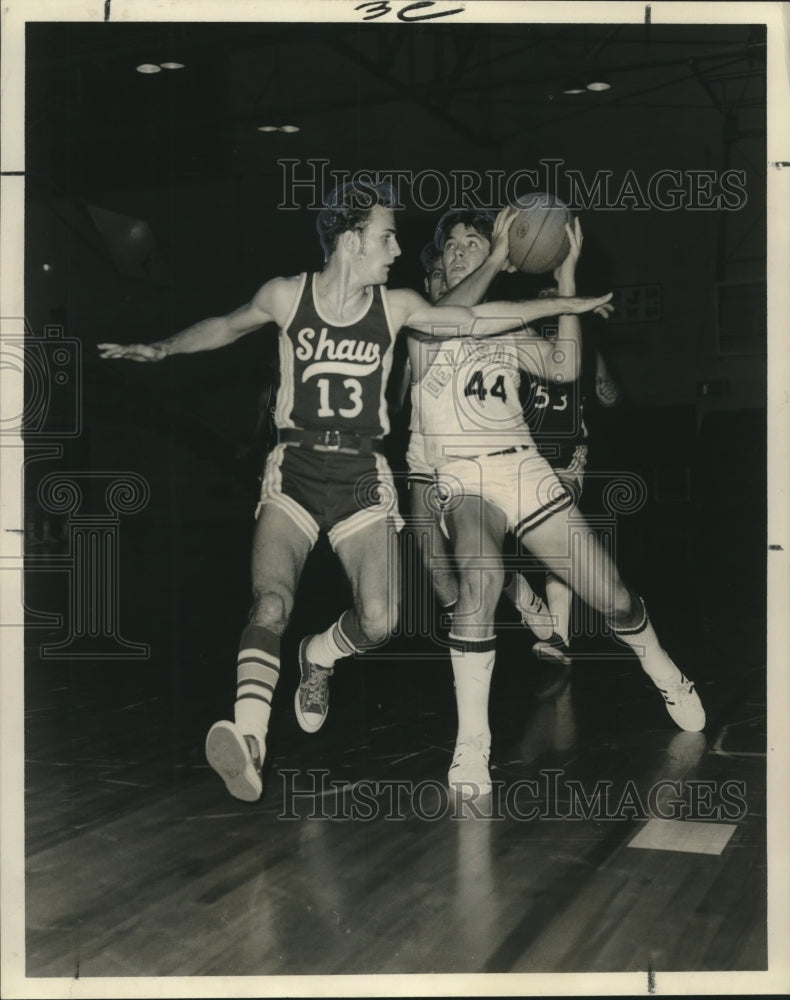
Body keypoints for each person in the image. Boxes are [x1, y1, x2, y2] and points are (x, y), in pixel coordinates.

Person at [98, 181, 613, 802]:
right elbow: (226, 327)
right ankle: (252, 737)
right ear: (351, 240)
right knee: (269, 603)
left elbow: (474, 317)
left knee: (381, 621)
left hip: (364, 478)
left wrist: (567, 303)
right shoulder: (287, 295)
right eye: (386, 236)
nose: (398, 248)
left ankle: (319, 655)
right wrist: (161, 347)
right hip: (294, 471)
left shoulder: (396, 306)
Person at [407, 207, 705, 800]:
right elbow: (447, 318)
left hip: (523, 467)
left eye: (477, 239)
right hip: (461, 476)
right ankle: (472, 744)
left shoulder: (506, 326)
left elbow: (566, 369)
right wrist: (498, 253)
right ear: (440, 263)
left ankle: (661, 666)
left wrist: (567, 283)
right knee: (477, 582)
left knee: (614, 598)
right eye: (459, 245)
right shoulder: (419, 317)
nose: (468, 249)